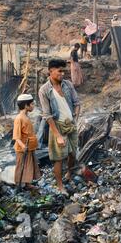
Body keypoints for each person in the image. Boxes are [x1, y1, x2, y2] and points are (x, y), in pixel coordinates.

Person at [39, 59, 81, 195]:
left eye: (64, 71)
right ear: (50, 71)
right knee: (58, 158)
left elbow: (77, 103)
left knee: (72, 153)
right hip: (57, 126)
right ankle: (60, 185)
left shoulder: (68, 85)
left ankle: (69, 173)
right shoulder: (44, 90)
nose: (62, 74)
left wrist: (75, 117)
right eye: (59, 71)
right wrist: (57, 136)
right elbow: (47, 115)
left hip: (71, 124)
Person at [13, 94, 41, 190]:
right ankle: (19, 185)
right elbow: (16, 136)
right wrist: (23, 146)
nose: (33, 106)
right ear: (26, 105)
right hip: (22, 148)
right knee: (21, 166)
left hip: (29, 147)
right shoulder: (19, 118)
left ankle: (28, 184)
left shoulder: (26, 117)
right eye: (32, 104)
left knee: (28, 166)